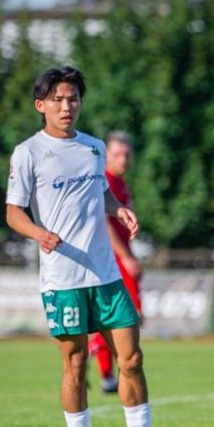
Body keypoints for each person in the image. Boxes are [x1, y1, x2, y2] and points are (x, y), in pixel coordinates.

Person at [6, 67, 185, 427]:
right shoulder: (28, 152)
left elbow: (99, 191)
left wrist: (117, 208)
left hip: (106, 276)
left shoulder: (93, 148)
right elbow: (13, 212)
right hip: (63, 279)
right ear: (41, 106)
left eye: (73, 99)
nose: (67, 106)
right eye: (58, 99)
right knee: (75, 363)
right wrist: (39, 233)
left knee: (132, 358)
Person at [88, 131, 141, 394]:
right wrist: (126, 256)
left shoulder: (120, 183)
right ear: (106, 155)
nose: (123, 159)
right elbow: (105, 224)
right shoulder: (105, 180)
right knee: (125, 317)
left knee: (120, 317)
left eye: (127, 155)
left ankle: (108, 372)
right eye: (117, 154)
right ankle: (102, 360)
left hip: (120, 258)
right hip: (114, 261)